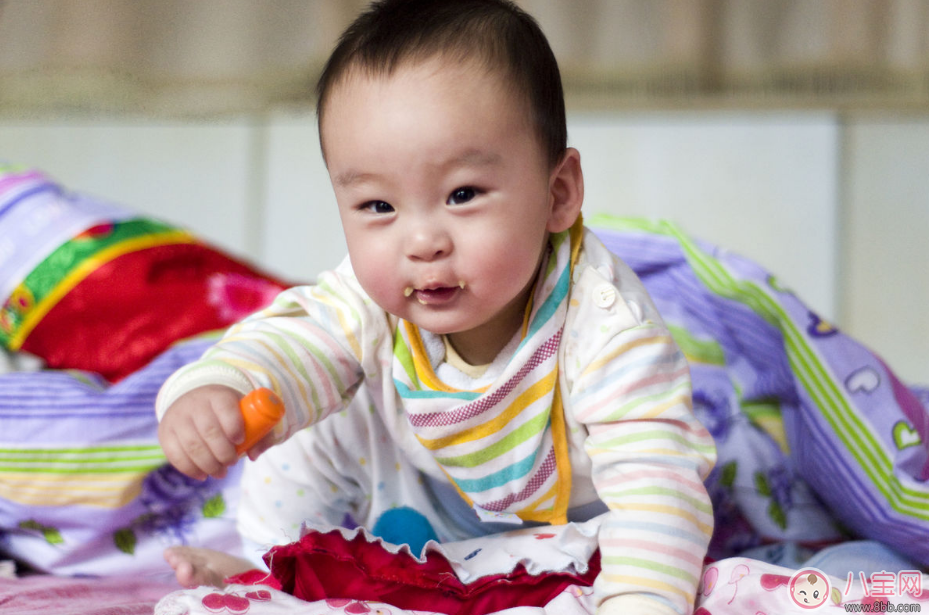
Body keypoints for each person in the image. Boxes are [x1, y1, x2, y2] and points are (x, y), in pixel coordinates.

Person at [156, 1, 716, 613]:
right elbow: (301, 337)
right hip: (419, 502)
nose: (422, 242)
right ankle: (274, 565)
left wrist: (641, 599)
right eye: (378, 207)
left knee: (650, 536)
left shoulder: (605, 325)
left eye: (462, 194)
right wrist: (222, 387)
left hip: (575, 532)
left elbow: (656, 485)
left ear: (558, 194)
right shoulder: (370, 301)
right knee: (305, 412)